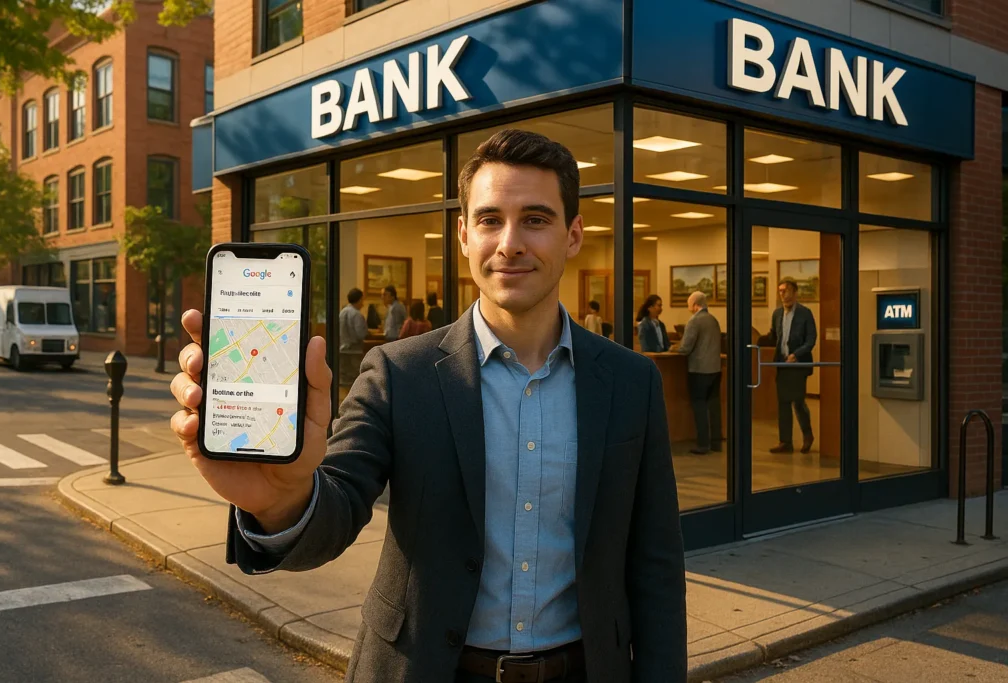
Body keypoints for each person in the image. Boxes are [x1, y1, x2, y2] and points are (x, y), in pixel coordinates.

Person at [169, 129, 686, 683]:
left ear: (574, 235)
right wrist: (282, 502)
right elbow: (336, 507)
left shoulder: (631, 381)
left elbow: (654, 565)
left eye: (535, 219)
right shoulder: (399, 373)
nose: (510, 242)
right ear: (464, 235)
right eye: (490, 220)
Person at [765, 278, 817, 454]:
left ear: (795, 293)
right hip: (782, 363)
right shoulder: (777, 314)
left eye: (786, 291)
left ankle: (807, 435)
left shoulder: (805, 313)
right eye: (780, 291)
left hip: (798, 364)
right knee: (783, 402)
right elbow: (774, 336)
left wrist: (796, 354)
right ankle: (785, 441)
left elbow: (811, 339)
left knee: (798, 401)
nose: (783, 294)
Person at [670, 291, 722, 455]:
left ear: (695, 304)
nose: (688, 307)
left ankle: (703, 444)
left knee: (699, 406)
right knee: (713, 406)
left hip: (699, 370)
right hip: (715, 368)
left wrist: (673, 347)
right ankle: (716, 443)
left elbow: (685, 348)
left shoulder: (694, 321)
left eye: (688, 304)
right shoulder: (713, 320)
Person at [338, 288, 368, 387]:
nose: (362, 303)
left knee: (343, 378)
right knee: (354, 379)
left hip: (342, 349)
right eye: (362, 300)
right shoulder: (357, 314)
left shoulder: (342, 312)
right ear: (359, 300)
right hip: (354, 351)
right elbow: (360, 334)